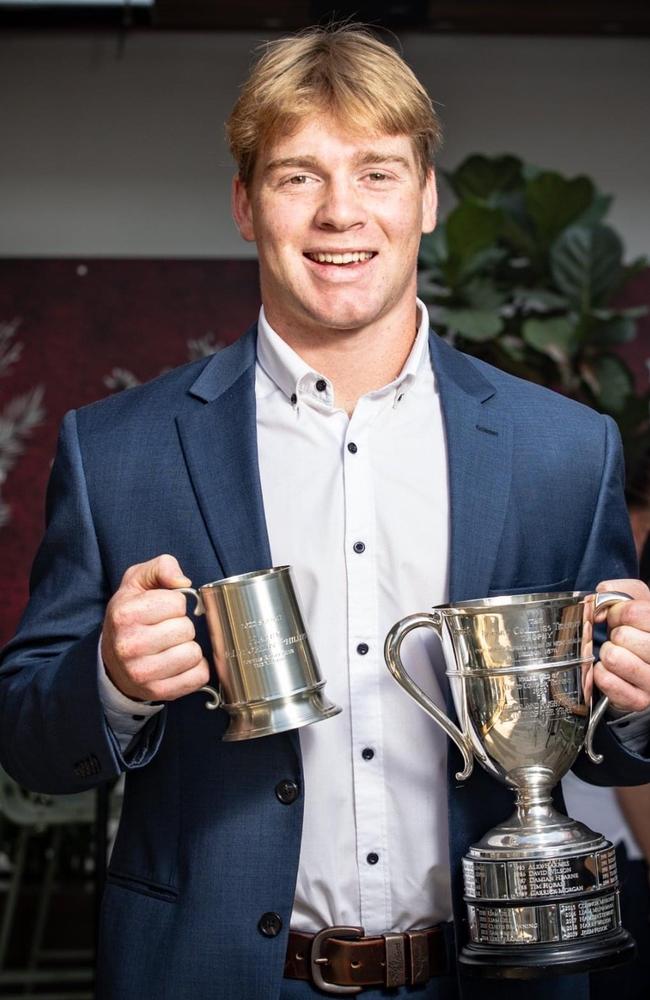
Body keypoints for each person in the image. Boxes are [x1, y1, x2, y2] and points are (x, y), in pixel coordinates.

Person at [1, 24, 650, 1000]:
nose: (340, 212)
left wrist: (639, 688)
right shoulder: (117, 448)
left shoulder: (562, 447)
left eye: (377, 173)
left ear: (426, 197)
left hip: (489, 980)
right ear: (244, 203)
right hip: (210, 979)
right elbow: (27, 736)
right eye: (297, 175)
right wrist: (111, 677)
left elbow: (615, 741)